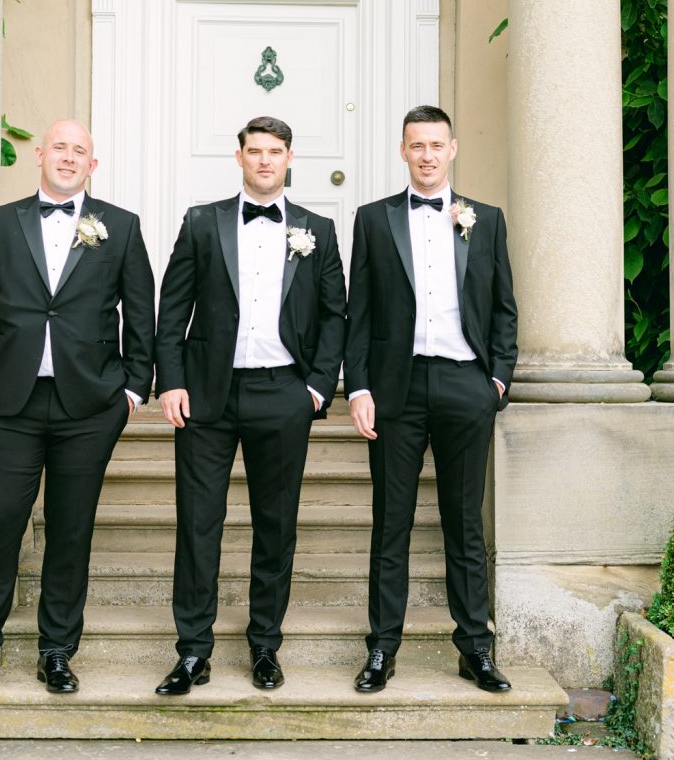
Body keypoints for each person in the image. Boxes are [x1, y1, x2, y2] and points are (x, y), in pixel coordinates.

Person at [0, 120, 155, 700]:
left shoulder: (121, 227)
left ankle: (57, 652)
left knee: (70, 528)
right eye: (59, 147)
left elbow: (141, 312)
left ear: (93, 164)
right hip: (8, 402)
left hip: (88, 406)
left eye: (79, 150)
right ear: (40, 155)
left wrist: (133, 389)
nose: (68, 157)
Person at [154, 116, 346, 695]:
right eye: (255, 151)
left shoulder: (319, 229)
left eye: (276, 152)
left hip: (283, 393)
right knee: (198, 523)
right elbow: (172, 309)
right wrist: (172, 381)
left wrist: (316, 386)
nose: (265, 161)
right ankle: (193, 651)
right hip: (208, 394)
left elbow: (336, 314)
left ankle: (265, 644)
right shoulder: (201, 222)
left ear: (290, 158)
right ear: (239, 157)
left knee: (276, 523)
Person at [345, 105, 517, 694]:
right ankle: (381, 650)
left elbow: (503, 310)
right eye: (416, 145)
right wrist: (359, 386)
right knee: (390, 523)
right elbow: (359, 311)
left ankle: (476, 649)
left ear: (452, 149)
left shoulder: (486, 220)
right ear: (402, 151)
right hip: (396, 389)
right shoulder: (373, 220)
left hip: (467, 384)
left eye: (436, 145)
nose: (426, 155)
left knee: (463, 524)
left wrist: (495, 382)